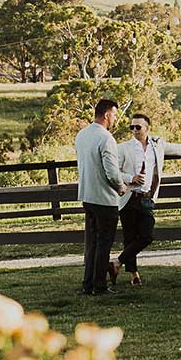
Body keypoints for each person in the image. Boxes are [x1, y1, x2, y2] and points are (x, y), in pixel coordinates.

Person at [108, 113, 181, 286]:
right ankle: (134, 275)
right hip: (129, 198)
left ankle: (116, 263)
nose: (134, 130)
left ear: (147, 128)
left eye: (138, 127)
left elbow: (178, 149)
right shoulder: (123, 148)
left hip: (147, 198)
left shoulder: (157, 145)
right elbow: (113, 172)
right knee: (130, 237)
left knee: (146, 236)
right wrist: (130, 178)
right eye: (132, 127)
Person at [75, 99, 126, 296]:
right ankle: (100, 285)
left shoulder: (82, 135)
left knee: (92, 244)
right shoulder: (106, 138)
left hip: (87, 196)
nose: (114, 118)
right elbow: (112, 172)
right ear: (106, 115)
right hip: (104, 198)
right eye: (113, 114)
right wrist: (120, 187)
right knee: (104, 243)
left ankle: (88, 285)